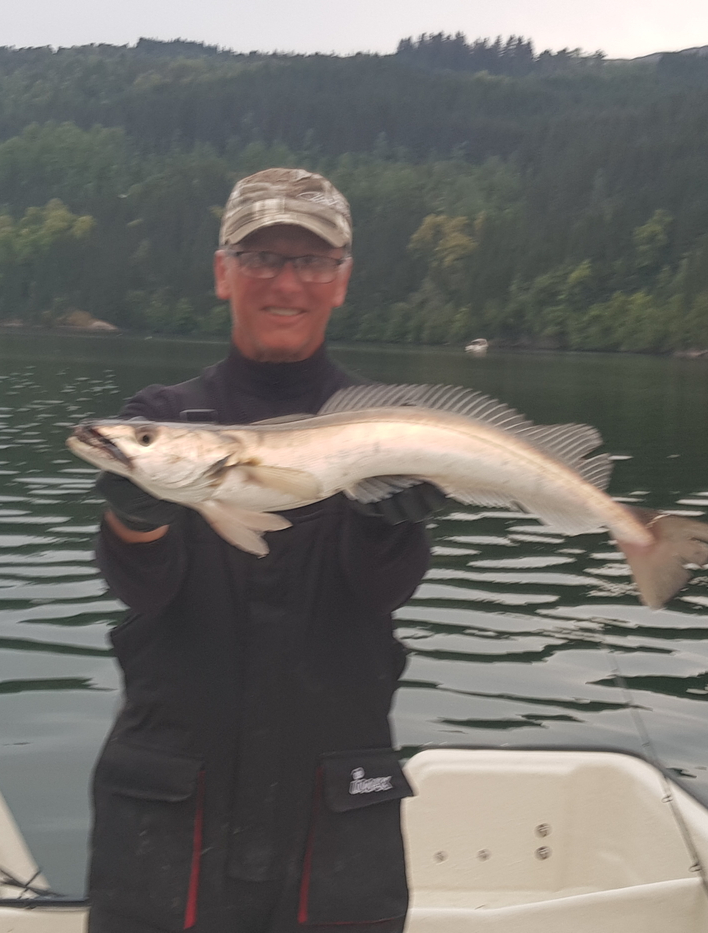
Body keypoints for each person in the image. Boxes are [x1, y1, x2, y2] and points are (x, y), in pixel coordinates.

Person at [85, 168, 447, 933]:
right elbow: (143, 589)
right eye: (261, 257)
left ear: (341, 279)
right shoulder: (163, 419)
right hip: (171, 817)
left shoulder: (388, 432)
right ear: (224, 272)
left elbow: (383, 591)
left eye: (310, 260)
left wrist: (391, 522)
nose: (286, 281)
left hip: (337, 820)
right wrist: (135, 519)